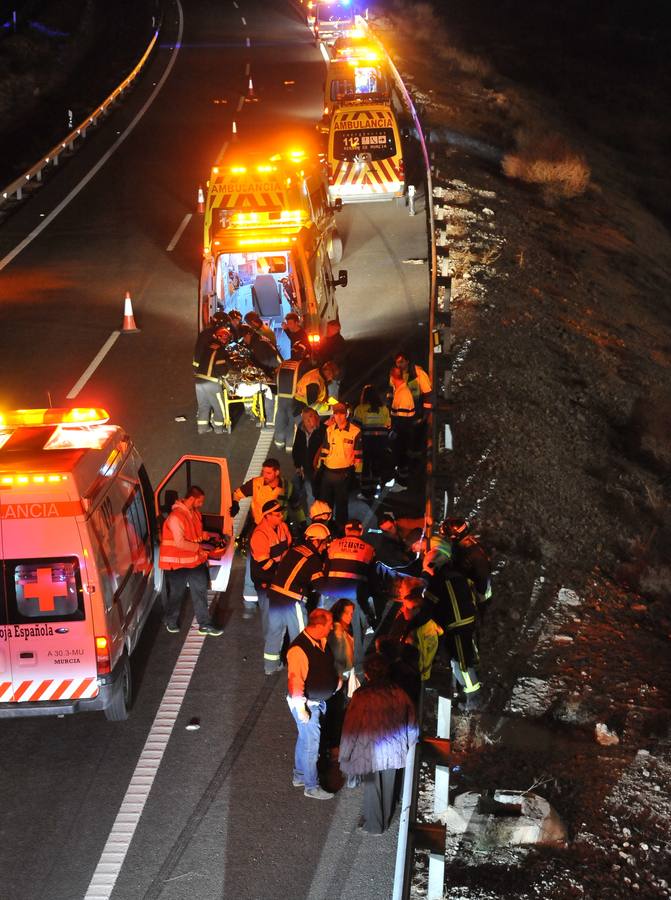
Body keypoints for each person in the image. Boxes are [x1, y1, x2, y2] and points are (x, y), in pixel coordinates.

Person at [339, 653, 418, 833]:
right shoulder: (399, 692)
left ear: (367, 674)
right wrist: (412, 747)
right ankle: (386, 815)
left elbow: (351, 729)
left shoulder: (361, 696)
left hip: (369, 751)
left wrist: (345, 756)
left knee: (372, 790)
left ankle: (375, 825)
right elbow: (412, 723)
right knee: (389, 785)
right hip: (395, 749)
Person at [233, 458, 301, 615]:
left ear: (277, 472)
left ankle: (276, 591)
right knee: (254, 561)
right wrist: (235, 503)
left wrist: (301, 523)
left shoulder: (287, 487)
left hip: (279, 529)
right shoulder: (256, 483)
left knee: (279, 560)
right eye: (264, 472)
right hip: (259, 529)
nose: (265, 475)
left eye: (269, 473)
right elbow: (237, 493)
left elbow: (296, 507)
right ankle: (250, 599)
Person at [286, 608, 340, 799]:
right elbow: (295, 681)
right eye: (329, 624)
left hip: (317, 702)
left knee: (304, 739)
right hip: (307, 705)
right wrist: (302, 709)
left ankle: (300, 775)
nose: (332, 627)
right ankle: (311, 786)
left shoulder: (321, 642)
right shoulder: (298, 650)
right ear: (319, 625)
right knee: (311, 745)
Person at [264, 523, 330, 674]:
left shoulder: (294, 550)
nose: (325, 547)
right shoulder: (314, 559)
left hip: (274, 596)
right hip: (292, 601)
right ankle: (299, 671)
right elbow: (321, 586)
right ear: (315, 541)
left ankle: (270, 667)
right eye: (324, 542)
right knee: (301, 637)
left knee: (274, 632)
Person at [159, 486, 224, 636]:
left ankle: (205, 624)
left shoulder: (194, 514)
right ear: (192, 499)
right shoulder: (175, 517)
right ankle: (170, 620)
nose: (201, 504)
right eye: (200, 501)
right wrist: (201, 547)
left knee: (200, 593)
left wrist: (210, 535)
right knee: (176, 594)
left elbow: (197, 533)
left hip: (194, 562)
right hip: (177, 564)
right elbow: (180, 543)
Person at [319, 519, 376, 665]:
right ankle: (355, 663)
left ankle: (321, 655)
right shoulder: (369, 549)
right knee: (356, 628)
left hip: (332, 591)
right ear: (361, 531)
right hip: (353, 593)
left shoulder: (334, 545)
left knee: (325, 623)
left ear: (346, 530)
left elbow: (325, 569)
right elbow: (371, 577)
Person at [315, 402, 363, 526]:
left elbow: (358, 455)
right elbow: (325, 450)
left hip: (344, 474)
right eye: (336, 414)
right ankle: (325, 527)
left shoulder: (355, 432)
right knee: (325, 504)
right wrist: (319, 467)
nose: (339, 417)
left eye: (341, 414)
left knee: (341, 504)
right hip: (328, 472)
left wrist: (357, 476)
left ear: (346, 414)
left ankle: (341, 529)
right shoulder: (329, 430)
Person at [249, 499, 292, 635]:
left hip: (279, 577)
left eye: (281, 513)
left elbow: (289, 546)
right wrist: (283, 569)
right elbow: (264, 564)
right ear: (267, 516)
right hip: (265, 580)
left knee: (281, 612)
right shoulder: (259, 534)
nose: (281, 516)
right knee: (269, 615)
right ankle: (270, 645)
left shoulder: (283, 527)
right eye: (277, 514)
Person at [193, 321, 232, 434]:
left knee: (203, 405)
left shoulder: (208, 347)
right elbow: (221, 367)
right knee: (219, 407)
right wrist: (227, 375)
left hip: (199, 381)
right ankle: (219, 429)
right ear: (224, 339)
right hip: (212, 382)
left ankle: (202, 428)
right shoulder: (220, 350)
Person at [353, 384, 391, 494]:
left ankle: (365, 491)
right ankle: (375, 489)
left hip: (367, 442)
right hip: (381, 442)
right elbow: (388, 425)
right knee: (377, 465)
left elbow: (356, 428)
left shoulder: (360, 409)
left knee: (366, 465)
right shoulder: (384, 409)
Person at [274, 341, 312, 450]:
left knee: (280, 418)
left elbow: (275, 378)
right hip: (294, 399)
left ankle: (279, 442)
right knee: (291, 421)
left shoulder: (283, 363)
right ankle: (290, 445)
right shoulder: (302, 366)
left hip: (281, 398)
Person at [385, 365, 416, 491]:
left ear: (392, 377)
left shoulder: (403, 394)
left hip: (402, 433)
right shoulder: (400, 391)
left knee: (401, 457)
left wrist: (394, 431)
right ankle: (400, 481)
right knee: (400, 457)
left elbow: (402, 418)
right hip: (402, 431)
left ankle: (402, 483)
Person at [292, 407, 326, 516]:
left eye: (313, 417)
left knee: (313, 494)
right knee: (301, 487)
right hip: (305, 469)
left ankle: (315, 516)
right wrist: (297, 465)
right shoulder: (301, 430)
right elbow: (296, 448)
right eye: (308, 419)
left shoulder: (325, 431)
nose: (312, 420)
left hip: (319, 470)